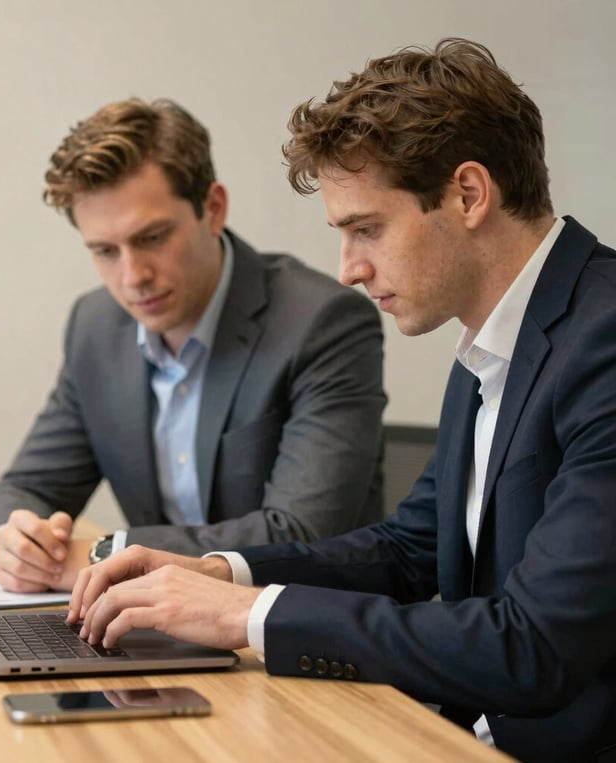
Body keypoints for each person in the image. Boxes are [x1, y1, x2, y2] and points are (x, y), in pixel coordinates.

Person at [66, 40, 616, 763]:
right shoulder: (498, 338)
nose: (349, 269)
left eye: (366, 229)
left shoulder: (602, 340)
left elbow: (534, 647)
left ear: (468, 194)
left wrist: (250, 614)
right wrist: (224, 573)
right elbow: (409, 548)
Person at [0, 98, 386, 594]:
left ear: (213, 209)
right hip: (156, 622)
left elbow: (299, 533)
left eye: (152, 237)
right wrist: (13, 543)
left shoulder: (320, 322)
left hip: (292, 622)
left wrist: (107, 554)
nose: (133, 277)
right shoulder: (96, 327)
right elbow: (29, 487)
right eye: (105, 251)